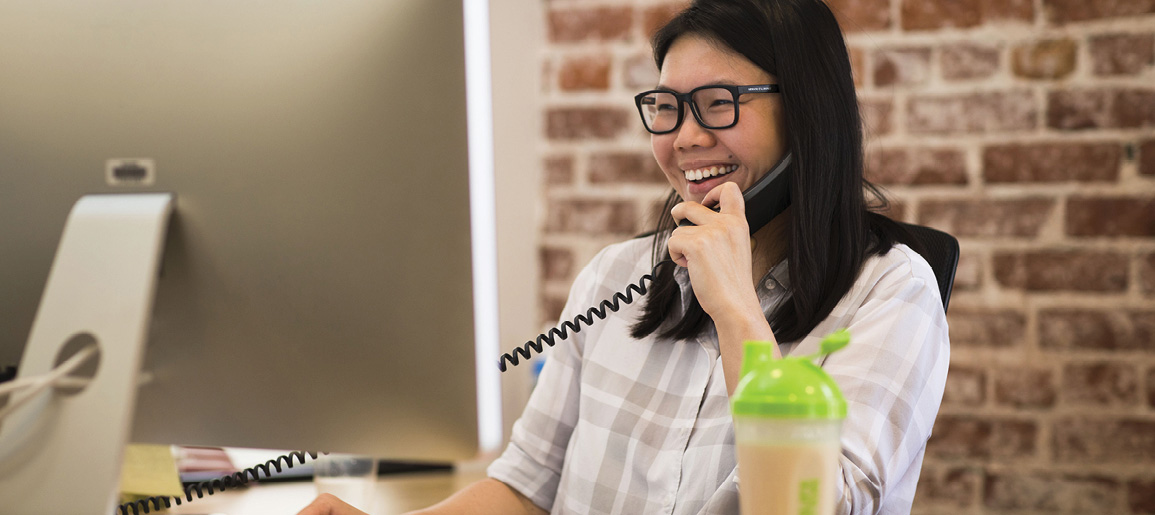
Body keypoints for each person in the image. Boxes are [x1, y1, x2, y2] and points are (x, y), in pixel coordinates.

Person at [297, 0, 949, 513]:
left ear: (806, 113)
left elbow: (821, 505)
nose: (685, 138)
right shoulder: (614, 277)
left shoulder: (893, 293)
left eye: (717, 104)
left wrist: (735, 312)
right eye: (667, 108)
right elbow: (525, 489)